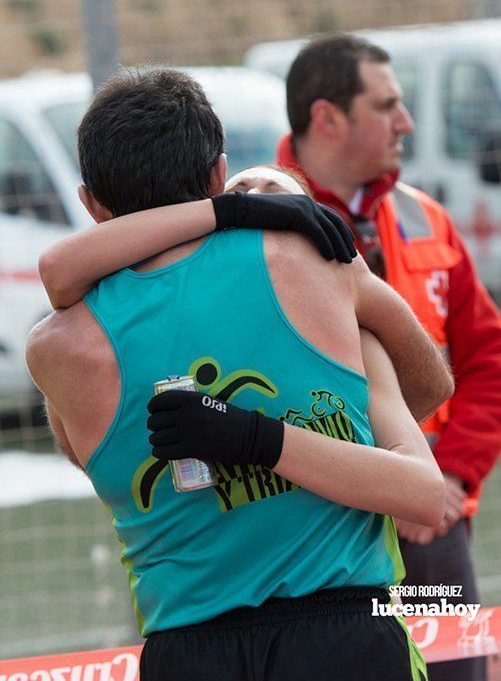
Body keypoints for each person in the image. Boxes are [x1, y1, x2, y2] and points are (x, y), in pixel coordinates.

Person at [26, 67, 452, 681]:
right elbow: (432, 388)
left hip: (188, 649)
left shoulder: (57, 349)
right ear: (218, 173)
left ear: (91, 203)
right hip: (344, 634)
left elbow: (90, 459)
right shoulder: (310, 258)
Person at [275, 33, 501, 681]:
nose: (405, 122)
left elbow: (487, 356)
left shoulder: (424, 216)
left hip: (431, 525)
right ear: (327, 118)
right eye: (386, 105)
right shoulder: (257, 226)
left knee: (455, 672)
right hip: (319, 538)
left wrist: (450, 477)